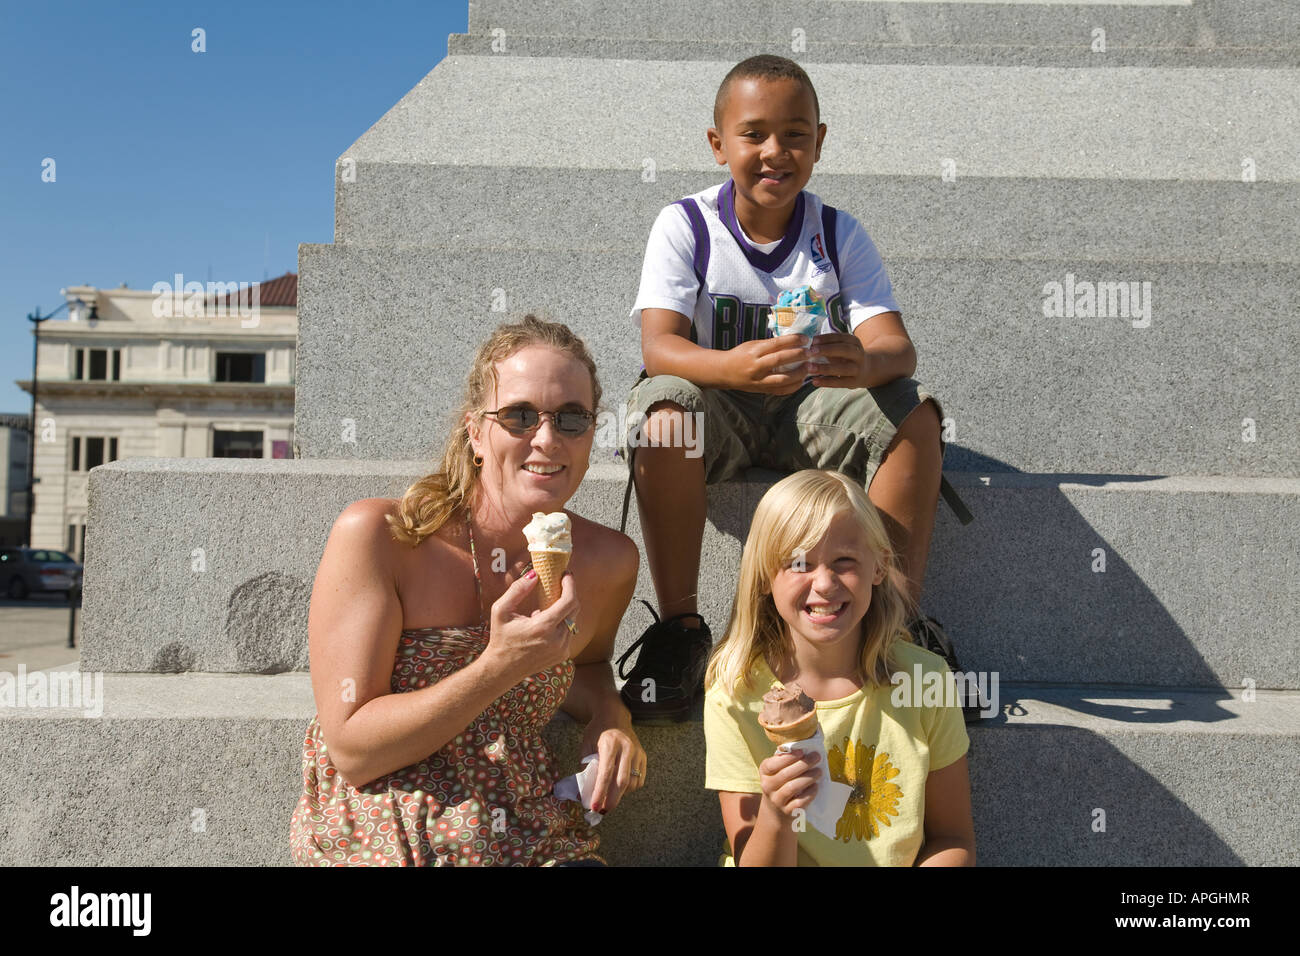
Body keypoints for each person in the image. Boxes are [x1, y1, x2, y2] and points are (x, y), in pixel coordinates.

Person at [616, 54, 974, 724]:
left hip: (808, 412)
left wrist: (860, 363)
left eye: (795, 135)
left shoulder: (837, 233)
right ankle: (681, 633)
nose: (775, 151)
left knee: (914, 415)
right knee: (664, 414)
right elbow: (658, 346)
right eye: (754, 134)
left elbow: (897, 346)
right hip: (717, 405)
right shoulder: (686, 226)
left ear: (820, 141)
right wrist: (733, 369)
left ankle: (892, 628)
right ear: (718, 144)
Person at [289, 315, 644, 865]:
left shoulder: (609, 561)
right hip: (388, 829)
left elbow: (590, 666)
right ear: (475, 432)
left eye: (572, 418)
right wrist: (496, 667)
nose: (547, 438)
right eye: (520, 415)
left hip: (528, 828)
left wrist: (609, 719)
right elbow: (353, 749)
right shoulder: (382, 538)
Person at [703, 469, 974, 866]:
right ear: (764, 575)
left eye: (844, 561)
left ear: (879, 567)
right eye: (799, 563)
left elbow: (953, 839)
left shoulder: (925, 681)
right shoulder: (735, 694)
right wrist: (778, 814)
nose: (825, 584)